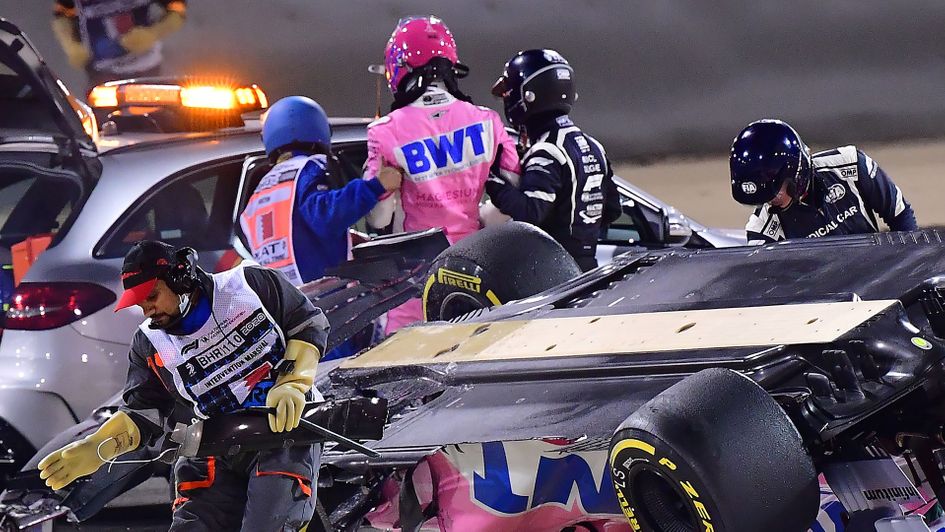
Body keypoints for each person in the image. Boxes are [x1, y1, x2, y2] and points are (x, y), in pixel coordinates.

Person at [38, 240, 328, 530]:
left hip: (283, 431)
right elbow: (143, 412)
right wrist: (95, 448)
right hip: (214, 443)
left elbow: (306, 324)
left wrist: (292, 382)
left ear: (180, 278)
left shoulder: (249, 286)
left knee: (271, 522)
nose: (147, 309)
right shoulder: (149, 344)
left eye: (152, 296)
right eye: (139, 303)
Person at [365, 15, 520, 332]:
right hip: (475, 282)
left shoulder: (384, 132)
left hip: (413, 293)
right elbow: (511, 203)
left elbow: (378, 220)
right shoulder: (487, 121)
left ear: (400, 65)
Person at [240, 95, 401, 289]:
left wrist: (348, 239)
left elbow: (295, 230)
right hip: (324, 297)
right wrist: (376, 185)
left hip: (289, 300)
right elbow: (324, 215)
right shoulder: (307, 169)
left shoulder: (260, 192)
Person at [486, 49, 621, 272]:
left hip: (552, 275)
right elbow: (612, 210)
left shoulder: (547, 150)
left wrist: (491, 179)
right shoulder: (593, 145)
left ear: (527, 95)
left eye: (509, 93)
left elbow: (530, 212)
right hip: (589, 270)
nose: (507, 100)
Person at [729, 119, 918, 244]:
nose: (771, 201)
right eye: (764, 197)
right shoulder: (762, 231)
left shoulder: (849, 163)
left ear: (797, 172)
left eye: (776, 191)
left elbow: (900, 215)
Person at [51, 0, 187, 89]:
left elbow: (177, 8)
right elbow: (62, 13)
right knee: (103, 123)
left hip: (146, 65)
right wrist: (70, 44)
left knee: (153, 118)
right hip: (102, 70)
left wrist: (154, 33)